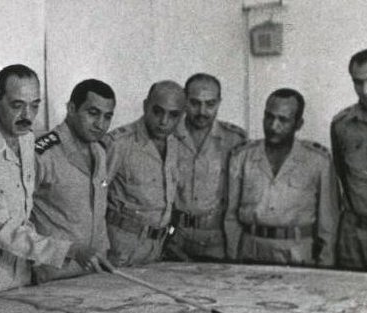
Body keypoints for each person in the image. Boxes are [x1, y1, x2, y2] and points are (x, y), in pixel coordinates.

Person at [0, 64, 102, 297]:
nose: (27, 116)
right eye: (17, 105)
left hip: (19, 261)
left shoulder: (26, 139)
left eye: (34, 105)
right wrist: (69, 250)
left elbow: (23, 215)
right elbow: (0, 229)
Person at [225, 88, 338, 267]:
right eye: (269, 117)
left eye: (283, 120)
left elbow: (328, 223)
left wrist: (325, 266)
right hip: (251, 250)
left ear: (298, 124)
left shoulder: (318, 160)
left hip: (297, 253)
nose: (273, 126)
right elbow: (231, 216)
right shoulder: (242, 156)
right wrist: (232, 259)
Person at [31, 78, 114, 282]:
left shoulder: (99, 151)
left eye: (107, 116)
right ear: (71, 108)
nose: (100, 124)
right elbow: (17, 220)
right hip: (54, 275)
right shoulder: (43, 153)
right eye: (92, 113)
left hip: (94, 273)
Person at [103, 80, 185, 266]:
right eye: (157, 111)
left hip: (156, 249)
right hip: (120, 248)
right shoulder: (120, 143)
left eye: (173, 115)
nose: (164, 121)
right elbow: (95, 197)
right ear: (145, 106)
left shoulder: (175, 144)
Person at [167, 73, 246, 260]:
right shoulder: (168, 135)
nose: (202, 111)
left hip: (216, 238)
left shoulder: (235, 139)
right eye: (195, 103)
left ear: (219, 102)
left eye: (210, 104)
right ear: (184, 100)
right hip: (174, 236)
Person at [331, 48, 367, 269]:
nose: (364, 90)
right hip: (355, 235)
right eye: (357, 82)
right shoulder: (342, 125)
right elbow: (341, 175)